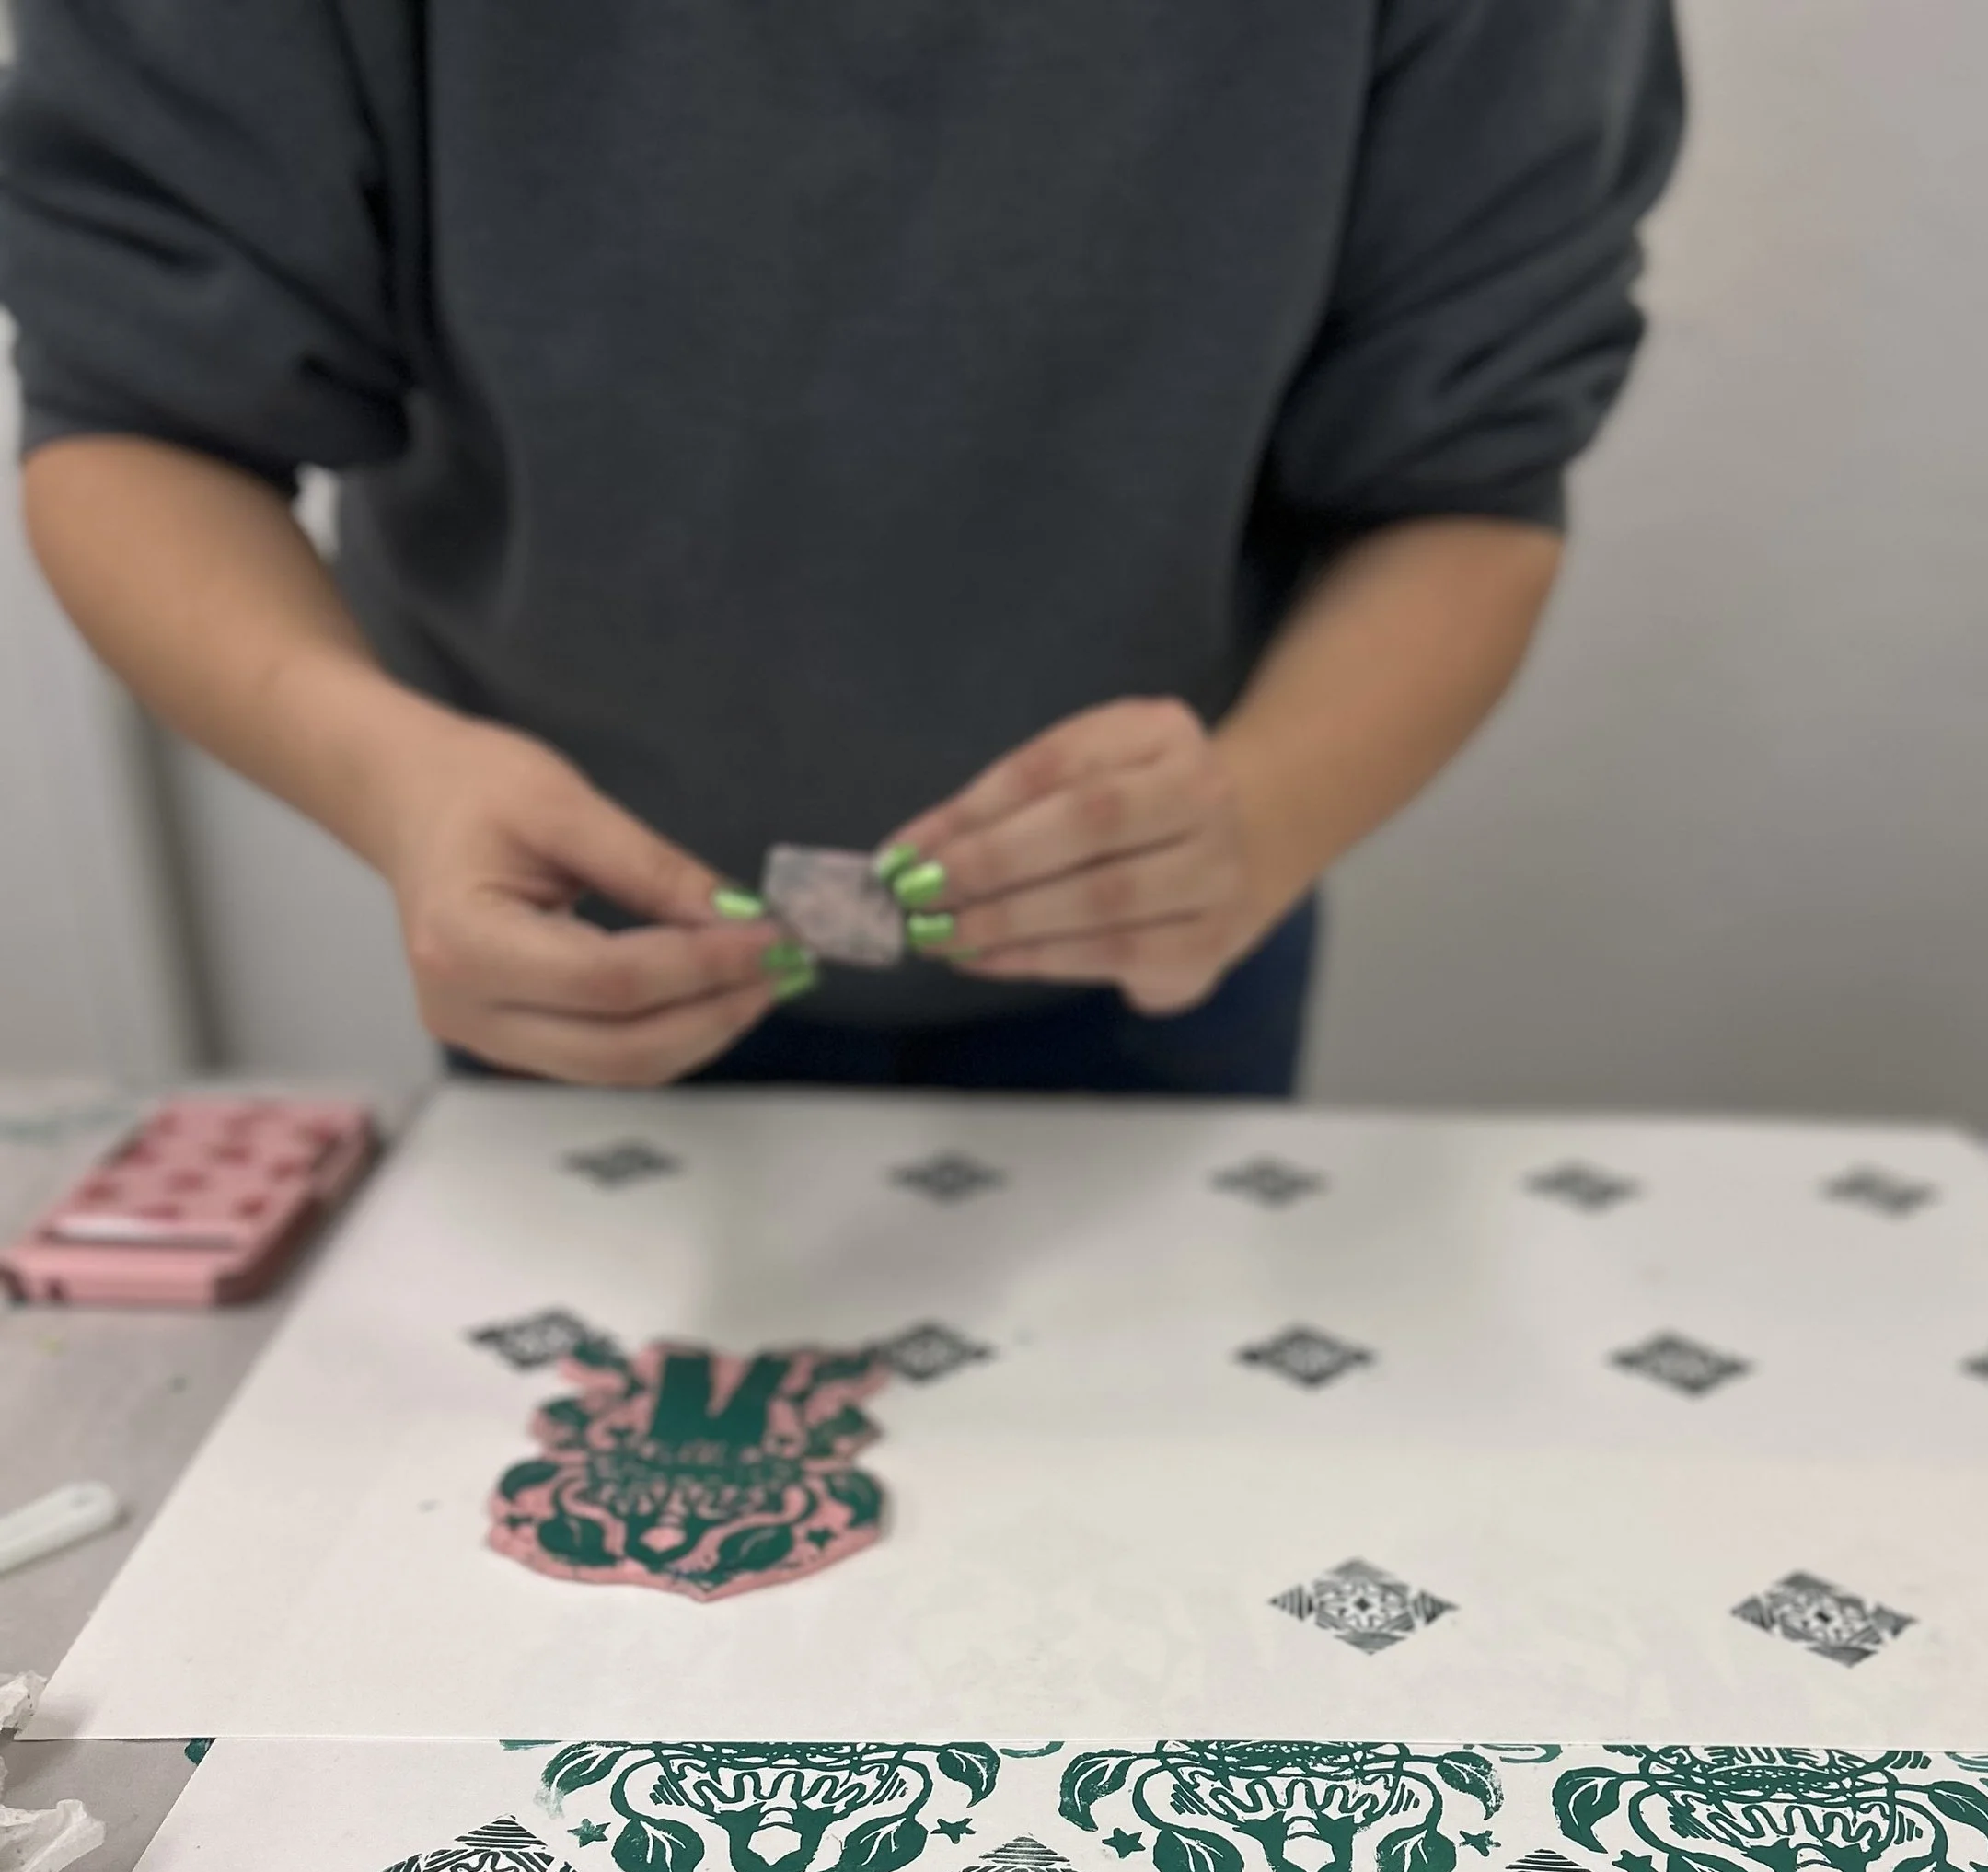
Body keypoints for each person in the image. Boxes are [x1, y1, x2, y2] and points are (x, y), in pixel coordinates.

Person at [0, 5, 1682, 1097]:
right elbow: (135, 423)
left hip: (1162, 940)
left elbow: (1466, 484)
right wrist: (395, 781)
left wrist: (1260, 822)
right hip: (573, 955)